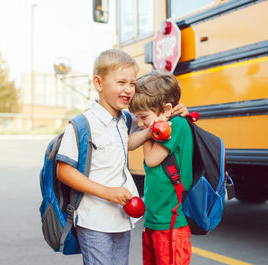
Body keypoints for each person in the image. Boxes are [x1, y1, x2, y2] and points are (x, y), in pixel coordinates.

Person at [56, 49, 188, 265]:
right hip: (94, 219)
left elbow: (149, 117)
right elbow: (64, 170)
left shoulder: (125, 120)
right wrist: (107, 192)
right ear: (98, 83)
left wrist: (176, 110)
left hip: (121, 218)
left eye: (132, 83)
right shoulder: (82, 125)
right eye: (121, 82)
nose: (128, 90)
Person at [128, 70, 194, 265]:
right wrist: (150, 128)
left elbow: (151, 160)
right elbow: (129, 143)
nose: (140, 123)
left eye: (143, 117)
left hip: (171, 225)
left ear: (166, 110)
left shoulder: (178, 124)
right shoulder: (156, 129)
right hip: (154, 222)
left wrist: (148, 132)